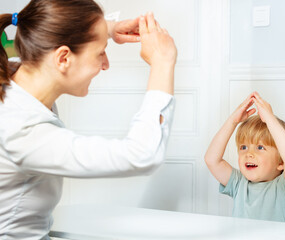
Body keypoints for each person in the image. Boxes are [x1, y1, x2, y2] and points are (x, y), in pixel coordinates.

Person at [0, 0, 177, 239]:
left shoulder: (15, 76)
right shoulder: (22, 130)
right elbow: (141, 155)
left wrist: (110, 29)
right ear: (63, 58)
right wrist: (162, 63)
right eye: (100, 52)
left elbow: (57, 31)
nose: (105, 64)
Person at [204, 92, 285, 222]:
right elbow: (212, 160)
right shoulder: (239, 183)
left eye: (260, 147)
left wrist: (270, 119)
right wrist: (232, 122)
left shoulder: (284, 187)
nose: (249, 154)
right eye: (243, 147)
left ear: (281, 162)